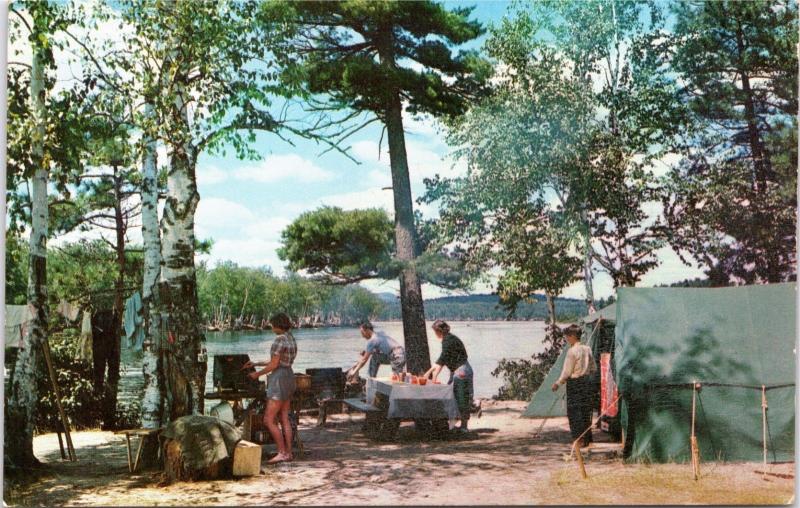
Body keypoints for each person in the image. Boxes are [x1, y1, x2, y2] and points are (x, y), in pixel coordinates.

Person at [245, 313, 298, 463]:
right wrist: (255, 363)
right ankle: (289, 452)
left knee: (268, 419)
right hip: (289, 376)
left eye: (272, 325)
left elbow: (274, 365)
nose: (271, 328)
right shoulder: (291, 338)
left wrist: (257, 374)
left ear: (277, 325)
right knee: (284, 418)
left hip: (279, 379)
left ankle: (282, 452)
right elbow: (277, 361)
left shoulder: (278, 340)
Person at [423, 320, 474, 433]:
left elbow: (442, 360)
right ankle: (458, 423)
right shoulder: (449, 338)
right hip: (460, 369)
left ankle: (464, 426)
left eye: (435, 331)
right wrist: (429, 374)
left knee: (461, 398)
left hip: (461, 371)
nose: (435, 334)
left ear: (439, 331)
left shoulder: (448, 341)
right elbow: (441, 360)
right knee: (453, 396)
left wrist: (432, 377)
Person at [551, 323, 596, 447]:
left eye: (567, 336)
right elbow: (593, 368)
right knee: (585, 411)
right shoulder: (587, 349)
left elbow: (567, 372)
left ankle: (579, 440)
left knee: (574, 412)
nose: (566, 339)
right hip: (586, 382)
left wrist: (557, 383)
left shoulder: (572, 351)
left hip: (575, 383)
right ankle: (587, 439)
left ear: (572, 336)